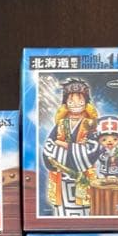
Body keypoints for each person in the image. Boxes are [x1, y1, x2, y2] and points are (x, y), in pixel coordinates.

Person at [41, 78, 99, 217]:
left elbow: (93, 148)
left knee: (86, 210)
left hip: (83, 175)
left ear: (86, 103)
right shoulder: (61, 124)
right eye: (71, 101)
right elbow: (48, 146)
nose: (76, 105)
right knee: (62, 211)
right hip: (61, 177)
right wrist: (75, 149)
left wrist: (65, 145)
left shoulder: (90, 124)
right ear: (66, 103)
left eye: (80, 101)